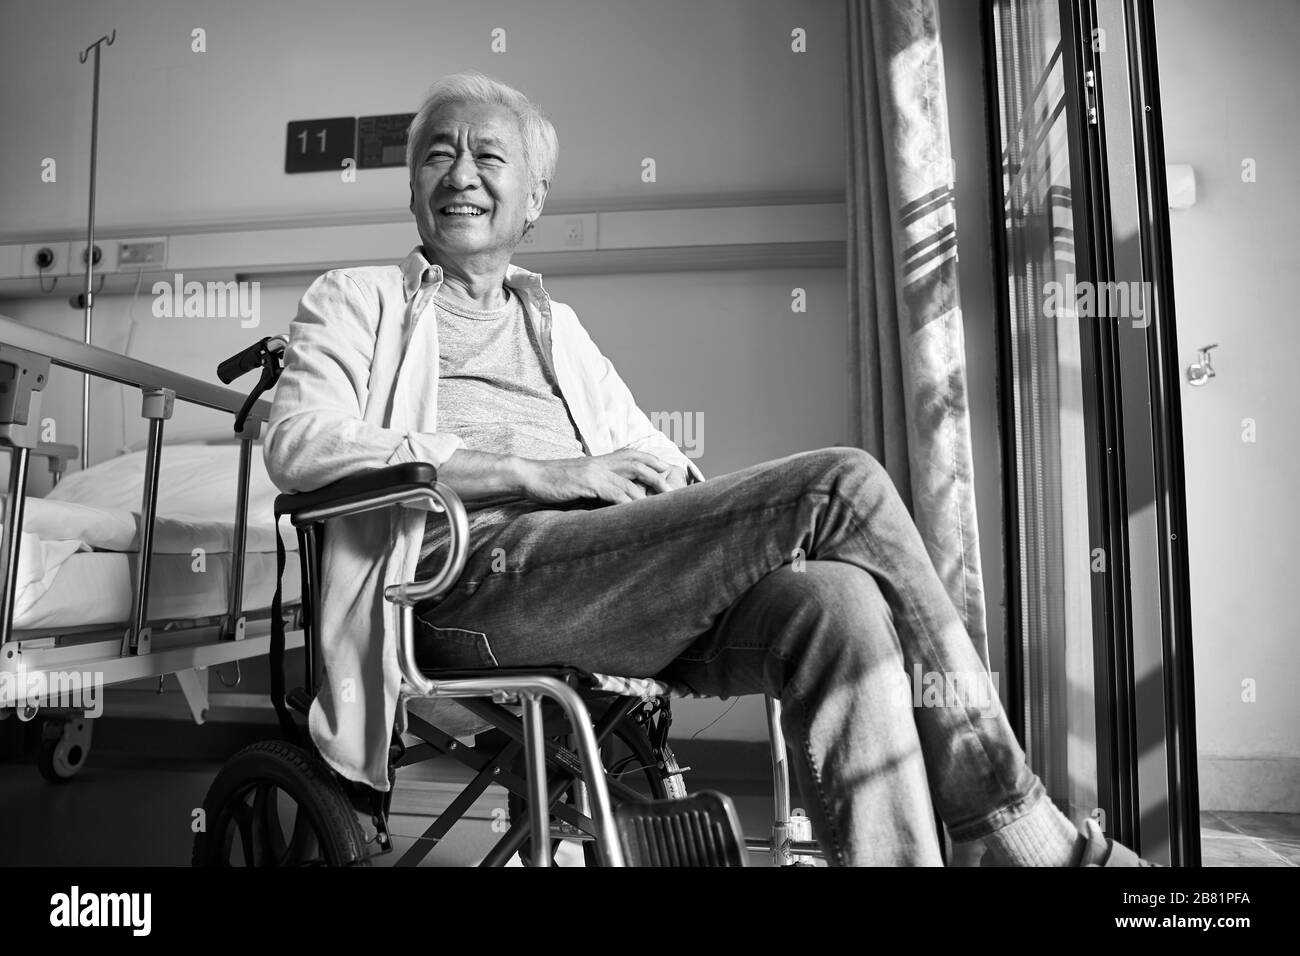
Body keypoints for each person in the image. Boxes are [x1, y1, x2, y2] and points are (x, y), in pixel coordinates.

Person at [264, 71, 1150, 866]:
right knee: (841, 482)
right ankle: (1016, 831)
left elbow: (648, 450)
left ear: (531, 201)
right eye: (437, 156)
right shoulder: (357, 298)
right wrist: (533, 473)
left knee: (833, 603)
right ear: (413, 185)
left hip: (607, 576)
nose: (460, 174)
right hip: (464, 583)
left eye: (487, 156)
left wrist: (704, 520)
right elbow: (299, 443)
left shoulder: (553, 325)